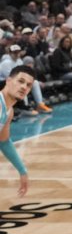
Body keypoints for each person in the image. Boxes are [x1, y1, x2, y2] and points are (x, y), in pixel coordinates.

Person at [0, 65, 34, 197]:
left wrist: (22, 170)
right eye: (20, 81)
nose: (24, 87)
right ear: (8, 81)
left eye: (28, 85)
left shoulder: (8, 112)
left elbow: (4, 142)